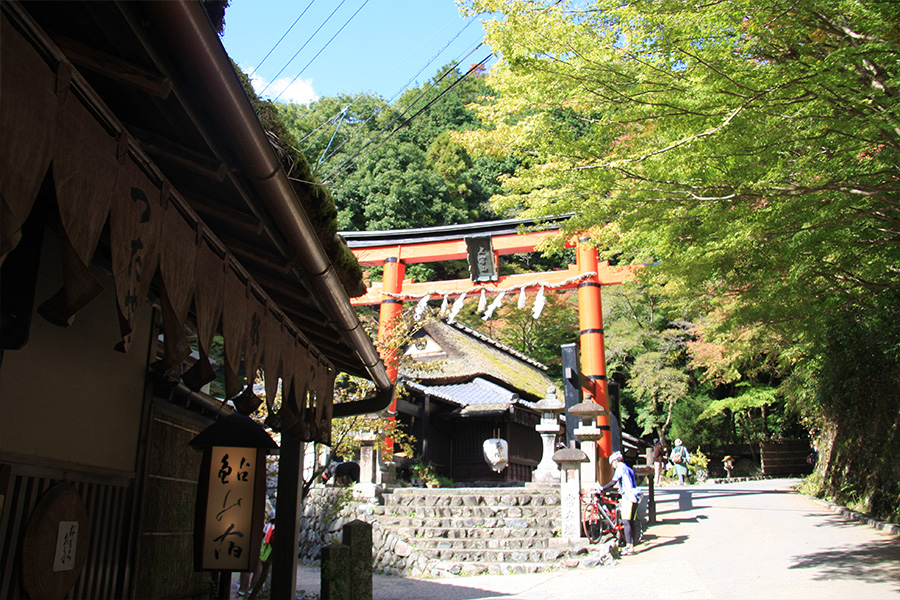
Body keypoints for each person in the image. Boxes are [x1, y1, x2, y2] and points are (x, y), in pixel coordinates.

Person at [601, 451, 642, 555]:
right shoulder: (628, 468)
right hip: (635, 496)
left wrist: (602, 488)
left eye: (612, 464)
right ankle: (631, 545)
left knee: (626, 522)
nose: (613, 467)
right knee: (631, 522)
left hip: (628, 497)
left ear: (615, 461)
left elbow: (613, 482)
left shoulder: (620, 468)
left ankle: (629, 546)